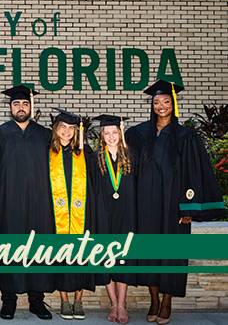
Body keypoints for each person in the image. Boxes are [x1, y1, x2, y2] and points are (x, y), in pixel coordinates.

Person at [125, 80, 224, 325]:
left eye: (166, 102)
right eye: (157, 102)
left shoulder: (185, 136)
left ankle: (167, 301)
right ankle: (154, 300)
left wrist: (188, 209)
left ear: (173, 104)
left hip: (173, 207)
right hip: (146, 205)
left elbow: (195, 173)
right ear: (151, 105)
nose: (161, 106)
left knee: (171, 255)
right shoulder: (139, 134)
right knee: (149, 254)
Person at [0, 85, 54, 320]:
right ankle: (9, 300)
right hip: (8, 203)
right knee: (10, 249)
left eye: (25, 104)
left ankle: (37, 301)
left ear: (31, 107)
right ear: (9, 107)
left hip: (40, 203)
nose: (21, 107)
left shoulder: (45, 134)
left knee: (37, 249)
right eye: (16, 104)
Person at [48, 109, 98, 320]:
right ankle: (64, 300)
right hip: (56, 214)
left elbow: (95, 184)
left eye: (71, 128)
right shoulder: (48, 152)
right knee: (61, 257)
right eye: (63, 128)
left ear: (76, 131)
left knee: (81, 256)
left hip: (82, 213)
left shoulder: (85, 152)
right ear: (56, 130)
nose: (67, 132)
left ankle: (79, 300)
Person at [91, 115, 137, 324]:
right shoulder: (95, 158)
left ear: (121, 133)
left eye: (114, 132)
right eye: (106, 133)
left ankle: (122, 304)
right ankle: (113, 304)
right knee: (107, 259)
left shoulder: (132, 156)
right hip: (103, 215)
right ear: (102, 136)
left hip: (126, 213)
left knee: (123, 260)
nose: (111, 136)